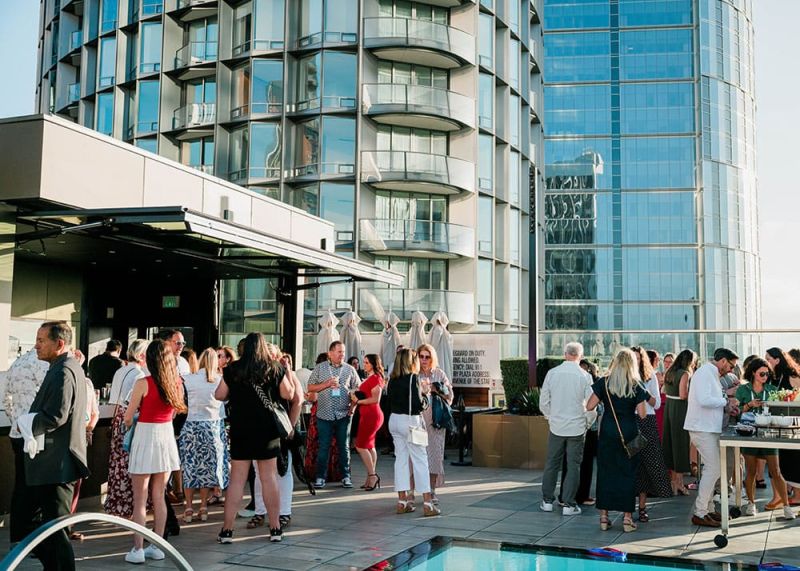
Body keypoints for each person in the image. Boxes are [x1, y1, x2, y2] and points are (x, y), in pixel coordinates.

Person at [17, 321, 90, 570]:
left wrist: (26, 423)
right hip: (53, 462)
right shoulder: (64, 367)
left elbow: (56, 415)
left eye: (41, 340)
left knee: (54, 531)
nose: (36, 346)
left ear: (59, 344)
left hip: (56, 464)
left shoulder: (63, 371)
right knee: (44, 528)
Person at [215, 332, 295, 543]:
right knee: (269, 478)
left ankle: (227, 530)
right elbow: (288, 394)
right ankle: (275, 528)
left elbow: (219, 395)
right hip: (267, 431)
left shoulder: (233, 369)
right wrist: (285, 370)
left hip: (241, 429)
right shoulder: (274, 368)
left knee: (237, 480)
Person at [124, 340, 187, 563]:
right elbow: (175, 412)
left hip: (145, 436)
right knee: (159, 495)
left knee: (140, 498)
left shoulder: (143, 383)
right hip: (165, 437)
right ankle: (157, 546)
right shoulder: (176, 383)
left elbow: (127, 417)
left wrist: (132, 420)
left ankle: (138, 549)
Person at [586, 348, 649, 533]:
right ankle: (627, 519)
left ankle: (604, 517)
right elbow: (643, 414)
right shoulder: (636, 385)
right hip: (629, 433)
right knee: (629, 474)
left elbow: (589, 405)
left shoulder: (604, 382)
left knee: (605, 473)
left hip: (607, 432)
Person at [249, 349, 303, 530]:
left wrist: (290, 427)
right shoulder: (258, 373)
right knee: (258, 472)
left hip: (281, 429)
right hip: (261, 430)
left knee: (283, 470)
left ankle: (284, 512)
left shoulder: (286, 373)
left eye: (271, 354)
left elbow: (297, 400)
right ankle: (260, 511)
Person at [684, 347, 738, 528]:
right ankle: (700, 511)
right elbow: (704, 400)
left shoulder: (712, 374)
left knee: (714, 468)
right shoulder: (705, 373)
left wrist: (727, 406)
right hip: (702, 428)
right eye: (731, 366)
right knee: (714, 468)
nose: (731, 370)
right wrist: (726, 402)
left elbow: (712, 399)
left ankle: (707, 508)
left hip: (708, 428)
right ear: (722, 361)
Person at [736, 357, 794, 519]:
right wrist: (749, 405)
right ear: (753, 373)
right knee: (751, 471)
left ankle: (786, 506)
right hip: (749, 433)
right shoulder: (743, 390)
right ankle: (751, 504)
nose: (765, 377)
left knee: (776, 471)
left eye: (767, 374)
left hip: (769, 433)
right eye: (762, 373)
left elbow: (780, 411)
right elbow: (736, 412)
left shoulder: (772, 390)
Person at [539, 342, 594, 515]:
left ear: (565, 354)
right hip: (577, 427)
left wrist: (551, 417)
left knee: (552, 464)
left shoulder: (552, 373)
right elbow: (591, 405)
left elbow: (543, 402)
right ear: (580, 356)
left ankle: (547, 501)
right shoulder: (585, 376)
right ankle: (569, 504)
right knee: (573, 466)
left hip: (556, 426)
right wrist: (587, 423)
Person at [2, 348, 49, 547]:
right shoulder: (44, 365)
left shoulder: (16, 364)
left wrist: (16, 420)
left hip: (17, 432)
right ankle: (33, 539)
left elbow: (5, 399)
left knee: (21, 486)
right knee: (37, 488)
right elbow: (49, 398)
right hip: (36, 434)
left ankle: (17, 538)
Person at [178, 348, 230, 524]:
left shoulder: (188, 379)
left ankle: (188, 507)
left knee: (190, 466)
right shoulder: (219, 380)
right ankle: (203, 506)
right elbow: (226, 401)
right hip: (212, 426)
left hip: (191, 425)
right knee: (207, 468)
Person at [387, 348, 440, 516]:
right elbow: (419, 404)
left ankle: (402, 501)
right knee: (420, 460)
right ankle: (428, 503)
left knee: (401, 460)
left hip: (394, 420)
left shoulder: (392, 379)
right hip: (411, 421)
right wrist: (425, 394)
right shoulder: (413, 378)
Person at [307, 340, 361, 489]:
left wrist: (352, 406)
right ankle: (320, 477)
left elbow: (358, 390)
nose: (342, 354)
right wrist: (326, 384)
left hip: (344, 414)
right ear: (330, 353)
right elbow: (310, 387)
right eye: (339, 352)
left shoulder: (350, 369)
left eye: (343, 352)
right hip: (324, 414)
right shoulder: (320, 368)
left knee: (344, 447)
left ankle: (346, 476)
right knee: (324, 447)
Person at [104, 339, 149, 518]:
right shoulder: (138, 374)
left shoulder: (120, 370)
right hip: (130, 418)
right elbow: (134, 403)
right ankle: (128, 505)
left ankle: (116, 502)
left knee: (117, 462)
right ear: (142, 355)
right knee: (130, 463)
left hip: (118, 417)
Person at [631, 346, 671, 522]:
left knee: (647, 465)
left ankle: (642, 507)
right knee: (631, 464)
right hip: (629, 422)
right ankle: (627, 508)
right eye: (633, 357)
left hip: (646, 422)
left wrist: (644, 394)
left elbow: (656, 404)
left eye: (638, 357)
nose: (636, 360)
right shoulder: (624, 377)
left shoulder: (650, 376)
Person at [558, 359, 600, 506]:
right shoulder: (591, 383)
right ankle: (580, 496)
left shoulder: (565, 383)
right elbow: (594, 408)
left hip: (570, 427)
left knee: (570, 462)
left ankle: (565, 496)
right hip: (585, 427)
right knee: (584, 463)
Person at [417, 343, 454, 504]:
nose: (424, 360)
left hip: (436, 422)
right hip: (418, 421)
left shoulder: (439, 373)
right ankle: (413, 491)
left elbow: (450, 396)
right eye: (421, 356)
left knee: (435, 457)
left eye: (427, 357)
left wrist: (435, 388)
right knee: (417, 457)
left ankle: (432, 490)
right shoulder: (414, 374)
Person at [662, 348, 696, 495]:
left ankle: (674, 482)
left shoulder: (670, 372)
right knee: (681, 444)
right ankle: (679, 483)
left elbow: (665, 390)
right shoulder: (684, 373)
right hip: (680, 409)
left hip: (669, 407)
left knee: (671, 444)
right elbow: (683, 395)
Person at [351, 354, 386, 491]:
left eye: (367, 362)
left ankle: (372, 475)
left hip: (372, 415)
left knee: (360, 445)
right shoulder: (372, 378)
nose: (364, 364)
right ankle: (370, 477)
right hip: (368, 414)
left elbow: (375, 400)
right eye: (364, 362)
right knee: (370, 446)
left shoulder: (376, 378)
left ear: (373, 364)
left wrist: (358, 401)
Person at [652, 350, 670, 439]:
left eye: (670, 362)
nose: (667, 364)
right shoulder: (657, 374)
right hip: (658, 406)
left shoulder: (676, 376)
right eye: (666, 361)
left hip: (668, 405)